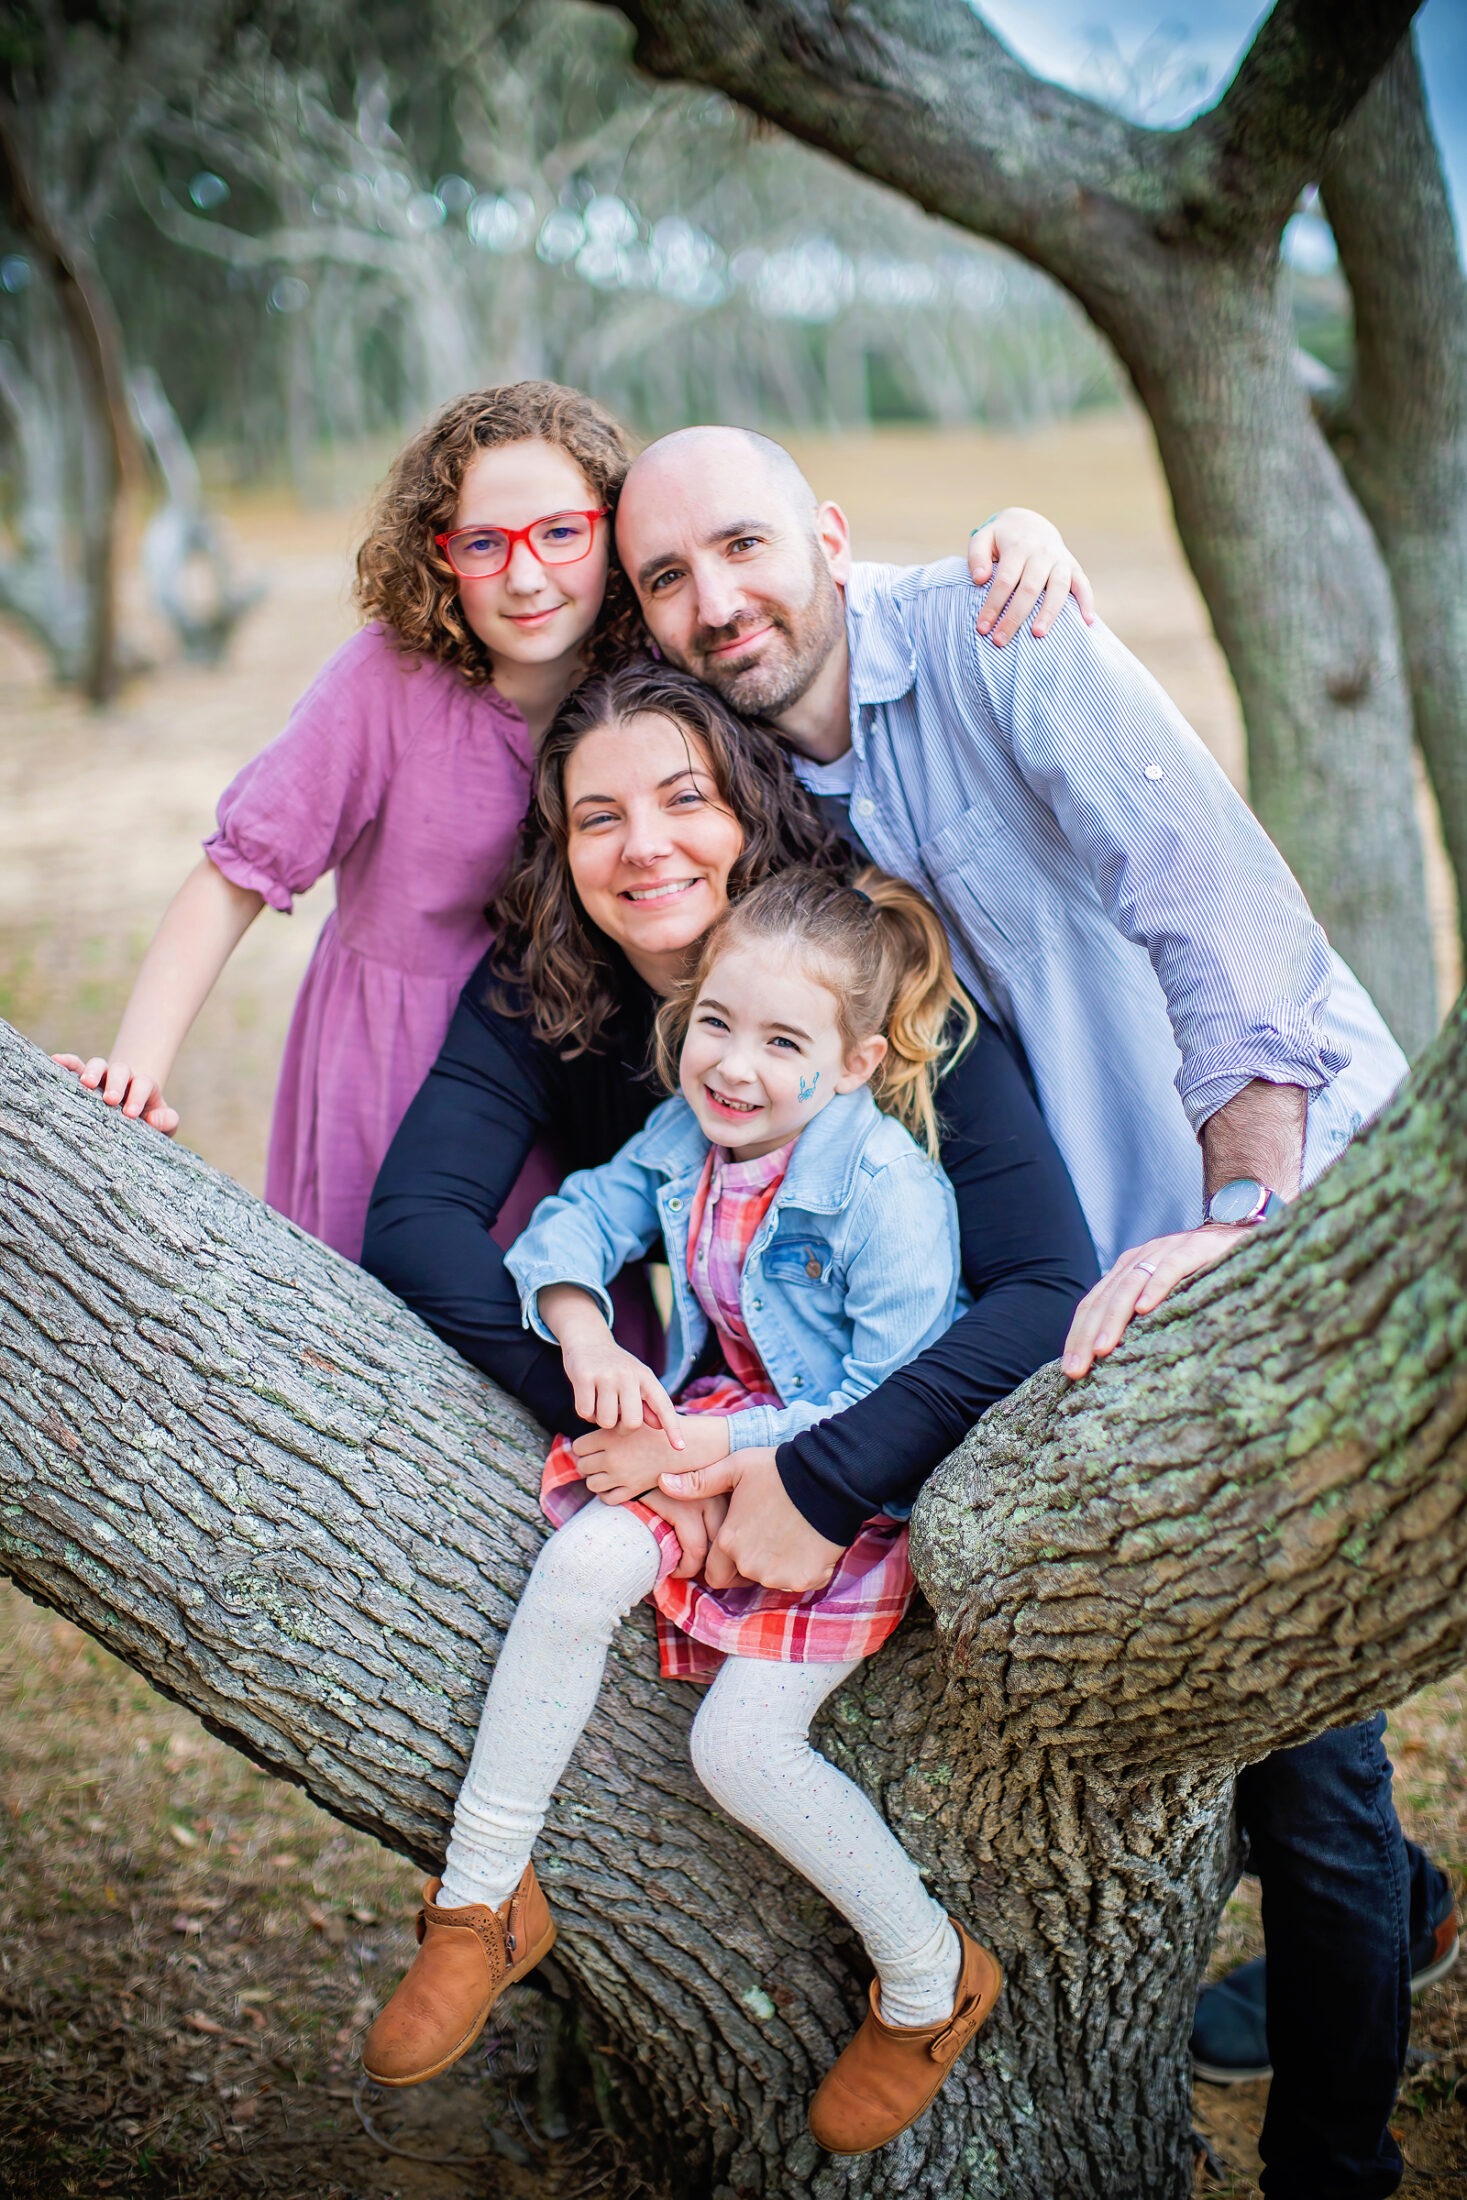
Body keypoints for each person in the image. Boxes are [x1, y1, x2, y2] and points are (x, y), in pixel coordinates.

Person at [608, 424, 1440, 2199]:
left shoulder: (1005, 632)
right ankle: (1393, 1919)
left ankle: (1335, 2155)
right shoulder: (752, 783)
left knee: (1296, 1736)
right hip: (1061, 1293)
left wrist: (1248, 1226)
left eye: (743, 547)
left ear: (828, 531)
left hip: (1252, 1209)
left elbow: (1214, 916)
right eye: (666, 578)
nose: (714, 601)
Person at [50, 381, 1085, 1264]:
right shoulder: (386, 681)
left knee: (582, 1291)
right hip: (396, 1054)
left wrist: (1017, 533)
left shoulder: (654, 673)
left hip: (581, 1044)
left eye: (561, 533)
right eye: (484, 544)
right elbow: (236, 870)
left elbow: (800, 585)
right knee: (407, 1305)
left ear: (612, 532)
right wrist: (135, 1070)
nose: (528, 574)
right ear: (438, 554)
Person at [362, 862, 1004, 2156]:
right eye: (715, 1023)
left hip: (837, 1491)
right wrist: (582, 1327)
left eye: (780, 1042)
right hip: (702, 1432)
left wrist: (699, 1445)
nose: (734, 1066)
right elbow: (573, 1219)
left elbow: (888, 1393)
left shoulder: (887, 1194)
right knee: (581, 1564)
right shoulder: (681, 1137)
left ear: (850, 1061)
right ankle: (480, 1897)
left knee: (737, 1753)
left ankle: (931, 1980)